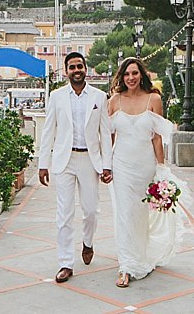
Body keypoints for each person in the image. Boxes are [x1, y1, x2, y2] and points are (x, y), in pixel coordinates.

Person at [107, 57, 194, 288]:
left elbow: (157, 138)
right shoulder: (114, 101)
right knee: (125, 214)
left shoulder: (154, 99)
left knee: (142, 215)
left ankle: (141, 254)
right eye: (127, 74)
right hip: (122, 166)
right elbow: (109, 138)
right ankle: (126, 266)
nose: (131, 78)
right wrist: (105, 166)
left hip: (145, 166)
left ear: (142, 75)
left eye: (135, 73)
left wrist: (161, 168)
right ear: (121, 77)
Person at [37, 52, 113, 284]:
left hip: (90, 160)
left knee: (90, 211)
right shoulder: (57, 97)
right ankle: (65, 263)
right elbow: (48, 131)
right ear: (66, 71)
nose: (76, 70)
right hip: (64, 160)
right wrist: (43, 164)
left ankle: (88, 242)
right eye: (72, 67)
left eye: (80, 66)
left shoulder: (99, 97)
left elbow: (105, 134)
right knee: (64, 214)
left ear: (86, 68)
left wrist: (107, 165)